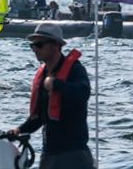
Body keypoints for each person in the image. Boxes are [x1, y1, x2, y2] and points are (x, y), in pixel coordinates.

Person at [9, 23, 94, 168]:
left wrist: (57, 85)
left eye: (39, 44)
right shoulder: (42, 75)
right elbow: (40, 117)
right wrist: (20, 130)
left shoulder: (75, 69)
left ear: (55, 45)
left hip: (74, 154)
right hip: (49, 153)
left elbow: (83, 92)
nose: (35, 49)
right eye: (32, 46)